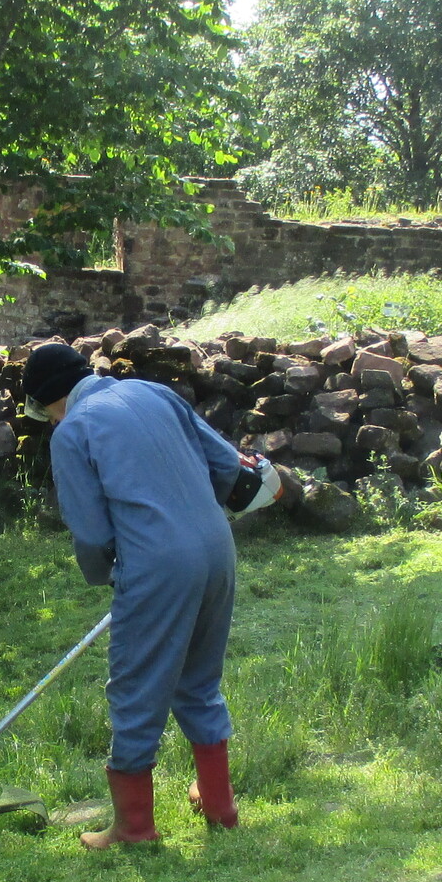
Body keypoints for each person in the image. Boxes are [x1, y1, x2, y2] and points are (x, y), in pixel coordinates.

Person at [27, 339, 279, 850]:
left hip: (157, 564)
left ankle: (134, 828)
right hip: (217, 549)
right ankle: (219, 804)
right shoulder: (153, 392)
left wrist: (108, 575)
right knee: (199, 679)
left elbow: (92, 533)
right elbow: (226, 465)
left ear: (48, 400)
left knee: (136, 687)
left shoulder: (72, 431)